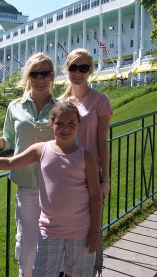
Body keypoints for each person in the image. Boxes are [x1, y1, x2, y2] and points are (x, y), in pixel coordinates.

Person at [0, 102, 102, 277]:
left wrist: (94, 231)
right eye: (60, 123)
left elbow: (95, 194)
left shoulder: (85, 156)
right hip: (50, 230)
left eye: (71, 123)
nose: (65, 128)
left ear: (78, 125)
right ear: (51, 123)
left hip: (81, 231)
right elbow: (10, 163)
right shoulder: (41, 150)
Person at [0, 52, 57, 277]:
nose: (40, 79)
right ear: (28, 76)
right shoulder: (15, 107)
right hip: (27, 186)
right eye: (35, 73)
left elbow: (70, 144)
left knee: (53, 243)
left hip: (56, 186)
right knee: (28, 244)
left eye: (45, 73)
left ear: (52, 76)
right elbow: (10, 141)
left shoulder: (60, 108)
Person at [59, 48, 112, 277]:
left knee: (90, 233)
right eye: (73, 68)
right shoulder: (62, 101)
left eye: (83, 68)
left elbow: (102, 142)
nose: (78, 73)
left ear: (90, 70)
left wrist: (106, 179)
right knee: (67, 233)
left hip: (91, 176)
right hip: (66, 175)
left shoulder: (100, 101)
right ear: (67, 70)